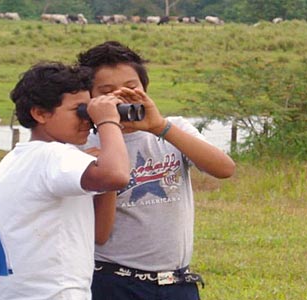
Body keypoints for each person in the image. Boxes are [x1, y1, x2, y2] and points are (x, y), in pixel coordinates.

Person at [77, 41, 236, 300]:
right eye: (107, 91)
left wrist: (160, 126)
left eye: (131, 87)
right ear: (89, 99)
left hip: (177, 280)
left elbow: (224, 169)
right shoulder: (86, 145)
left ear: (145, 89)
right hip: (113, 280)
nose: (121, 96)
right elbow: (98, 234)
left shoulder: (173, 129)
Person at [0, 62, 131, 299]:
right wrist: (108, 122)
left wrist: (104, 165)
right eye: (80, 111)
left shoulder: (19, 157)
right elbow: (117, 175)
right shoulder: (53, 155)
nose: (88, 120)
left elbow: (100, 235)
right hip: (51, 292)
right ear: (40, 113)